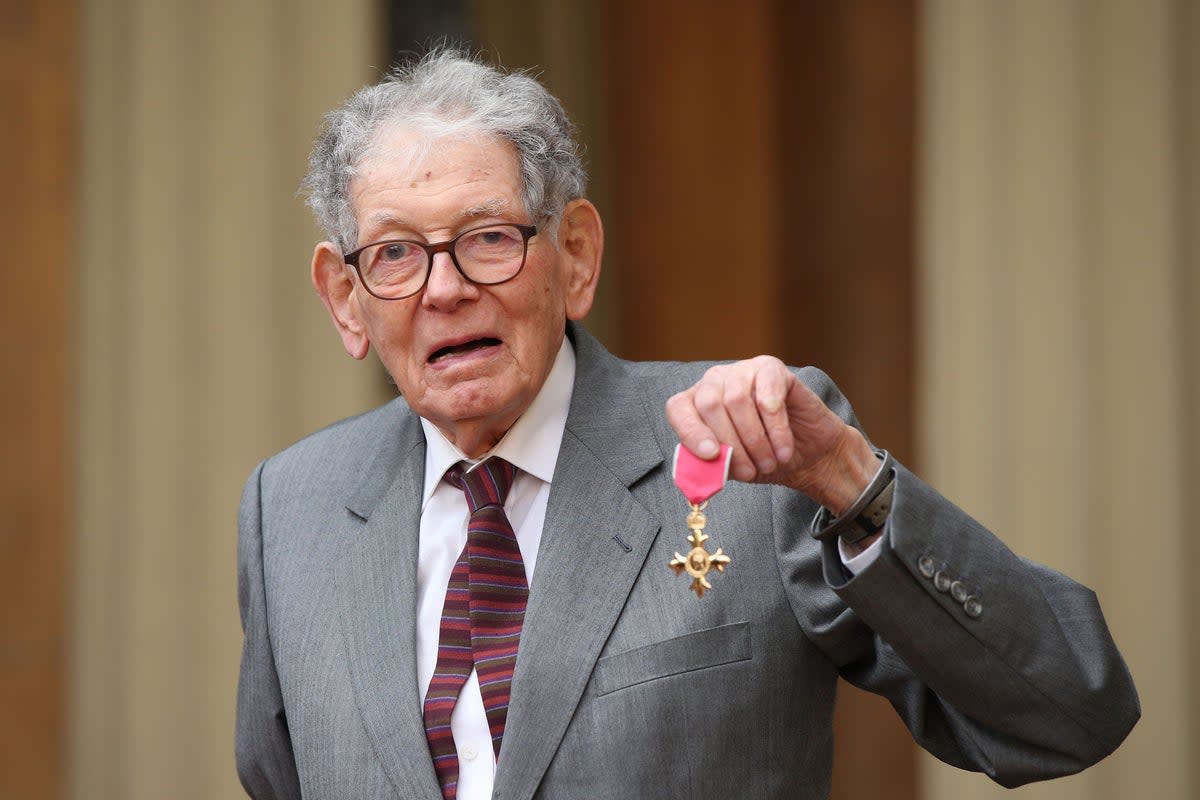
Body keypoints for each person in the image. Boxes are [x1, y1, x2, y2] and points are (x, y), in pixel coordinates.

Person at [236, 50, 1138, 800]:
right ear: (344, 298)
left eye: (488, 237)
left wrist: (855, 488)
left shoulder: (757, 463)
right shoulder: (293, 509)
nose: (443, 288)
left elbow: (1066, 714)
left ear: (576, 256)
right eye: (394, 253)